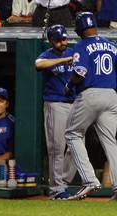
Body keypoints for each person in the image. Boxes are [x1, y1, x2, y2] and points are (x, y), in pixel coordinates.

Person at [64, 12, 117, 201]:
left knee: (72, 133)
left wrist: (69, 85)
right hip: (111, 95)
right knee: (111, 141)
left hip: (91, 94)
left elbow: (79, 72)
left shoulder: (83, 45)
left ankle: (89, 180)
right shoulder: (112, 45)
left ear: (79, 28)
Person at [35, 25, 77, 200]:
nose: (62, 42)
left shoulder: (74, 52)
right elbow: (38, 64)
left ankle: (63, 183)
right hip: (55, 104)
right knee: (57, 148)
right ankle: (56, 188)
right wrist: (62, 60)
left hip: (74, 104)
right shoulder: (48, 55)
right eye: (59, 40)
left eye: (64, 39)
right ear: (52, 41)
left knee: (76, 147)